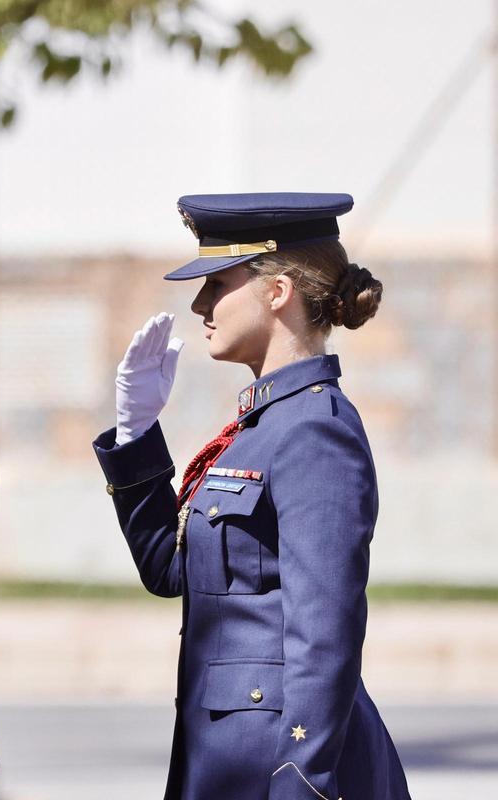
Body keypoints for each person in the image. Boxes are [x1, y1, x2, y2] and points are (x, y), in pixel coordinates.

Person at [93, 193, 410, 799]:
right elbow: (171, 568)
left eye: (217, 282)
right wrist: (135, 435)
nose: (199, 303)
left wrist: (301, 781)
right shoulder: (261, 429)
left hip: (278, 767)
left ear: (277, 291)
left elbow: (327, 632)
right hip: (222, 762)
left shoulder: (314, 431)